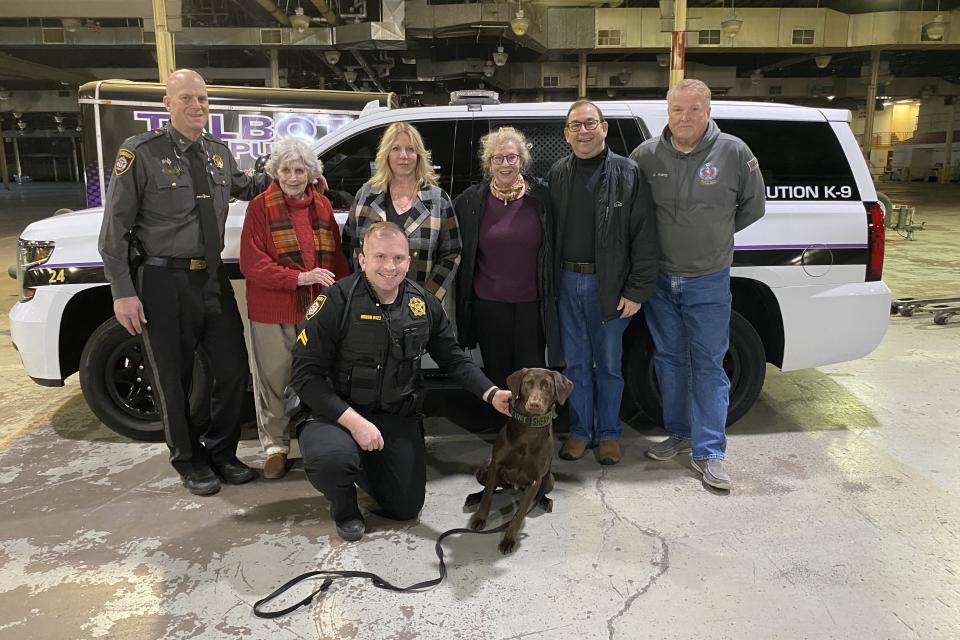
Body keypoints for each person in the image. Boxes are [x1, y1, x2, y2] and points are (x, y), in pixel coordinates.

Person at [98, 69, 269, 496]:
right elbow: (113, 230)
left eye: (203, 99)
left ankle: (223, 453)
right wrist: (123, 291)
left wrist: (295, 175)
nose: (197, 106)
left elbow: (247, 186)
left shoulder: (217, 152)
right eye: (187, 98)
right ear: (167, 104)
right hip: (161, 280)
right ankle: (188, 460)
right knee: (172, 378)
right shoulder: (141, 153)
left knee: (231, 370)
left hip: (210, 278)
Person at [289, 222, 511, 542]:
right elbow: (304, 376)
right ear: (362, 259)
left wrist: (490, 393)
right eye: (380, 257)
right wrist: (354, 424)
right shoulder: (336, 301)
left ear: (409, 261)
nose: (389, 267)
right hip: (336, 413)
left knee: (405, 507)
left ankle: (363, 462)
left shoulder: (424, 305)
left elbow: (454, 359)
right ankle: (344, 503)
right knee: (331, 460)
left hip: (394, 414)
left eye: (398, 258)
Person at [630, 79, 766, 491]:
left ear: (708, 111)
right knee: (670, 360)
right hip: (659, 279)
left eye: (693, 109)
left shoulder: (734, 152)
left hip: (708, 279)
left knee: (709, 364)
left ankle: (710, 452)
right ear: (667, 112)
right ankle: (679, 433)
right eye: (677, 110)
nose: (684, 117)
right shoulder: (645, 155)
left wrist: (714, 237)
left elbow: (752, 207)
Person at [547, 100, 658, 466]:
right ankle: (580, 432)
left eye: (589, 123)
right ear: (566, 133)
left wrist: (636, 290)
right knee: (575, 365)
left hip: (609, 285)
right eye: (575, 125)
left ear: (604, 128)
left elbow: (644, 234)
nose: (583, 131)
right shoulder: (559, 173)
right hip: (567, 281)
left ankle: (609, 433)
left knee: (609, 365)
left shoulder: (629, 173)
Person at [239, 136, 350, 480]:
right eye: (285, 169)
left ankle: (317, 437)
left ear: (311, 173)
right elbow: (251, 263)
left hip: (316, 311)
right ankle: (275, 446)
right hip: (273, 309)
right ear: (276, 171)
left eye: (299, 169)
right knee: (274, 380)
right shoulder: (260, 207)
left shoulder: (323, 207)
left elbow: (337, 257)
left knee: (318, 377)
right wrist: (300, 278)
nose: (291, 177)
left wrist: (344, 296)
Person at [453, 126, 561, 389]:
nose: (505, 164)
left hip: (532, 307)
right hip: (489, 307)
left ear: (521, 160)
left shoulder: (543, 198)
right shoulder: (470, 201)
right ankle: (502, 428)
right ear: (488, 163)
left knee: (532, 377)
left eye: (511, 157)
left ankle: (530, 427)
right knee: (496, 374)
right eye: (497, 158)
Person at [342, 122, 461, 302]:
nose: (403, 156)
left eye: (410, 149)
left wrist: (428, 297)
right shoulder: (366, 194)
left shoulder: (438, 199)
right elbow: (350, 244)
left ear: (419, 155)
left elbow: (452, 253)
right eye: (396, 148)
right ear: (386, 154)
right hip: (368, 300)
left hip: (419, 304)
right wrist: (361, 287)